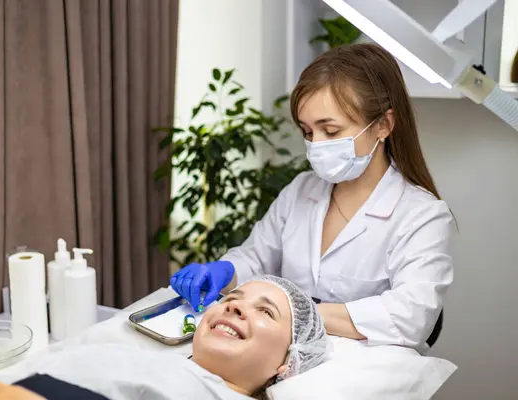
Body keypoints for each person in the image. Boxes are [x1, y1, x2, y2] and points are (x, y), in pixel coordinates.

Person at [170, 43, 455, 354]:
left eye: (330, 131)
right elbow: (256, 258)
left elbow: (410, 318)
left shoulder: (422, 215)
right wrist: (224, 272)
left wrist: (297, 313)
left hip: (364, 373)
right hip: (282, 359)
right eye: (307, 132)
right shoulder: (302, 190)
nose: (316, 145)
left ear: (383, 125)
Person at [0, 276, 328, 400]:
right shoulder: (133, 354)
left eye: (266, 312)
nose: (235, 307)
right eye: (232, 299)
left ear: (285, 363)